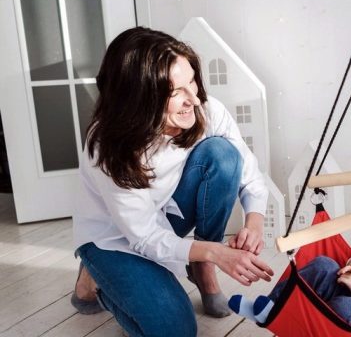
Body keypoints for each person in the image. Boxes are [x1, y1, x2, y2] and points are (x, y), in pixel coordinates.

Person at [71, 27, 274, 336]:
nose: (194, 98)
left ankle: (201, 269)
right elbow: (144, 237)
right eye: (175, 91)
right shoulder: (108, 147)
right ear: (138, 98)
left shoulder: (206, 110)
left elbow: (249, 175)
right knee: (175, 330)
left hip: (164, 213)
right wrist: (216, 252)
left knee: (223, 155)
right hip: (115, 237)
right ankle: (97, 279)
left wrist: (254, 224)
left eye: (191, 80)